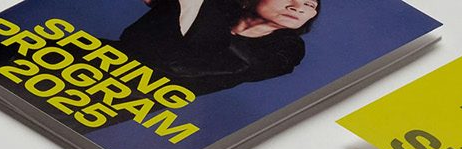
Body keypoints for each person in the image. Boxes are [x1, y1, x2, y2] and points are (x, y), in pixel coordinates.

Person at [114, 0, 321, 97]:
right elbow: (136, 39)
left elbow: (183, 67)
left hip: (140, 93)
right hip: (109, 58)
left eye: (310, 5)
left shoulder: (287, 49)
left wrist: (190, 8)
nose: (297, 7)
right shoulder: (218, 7)